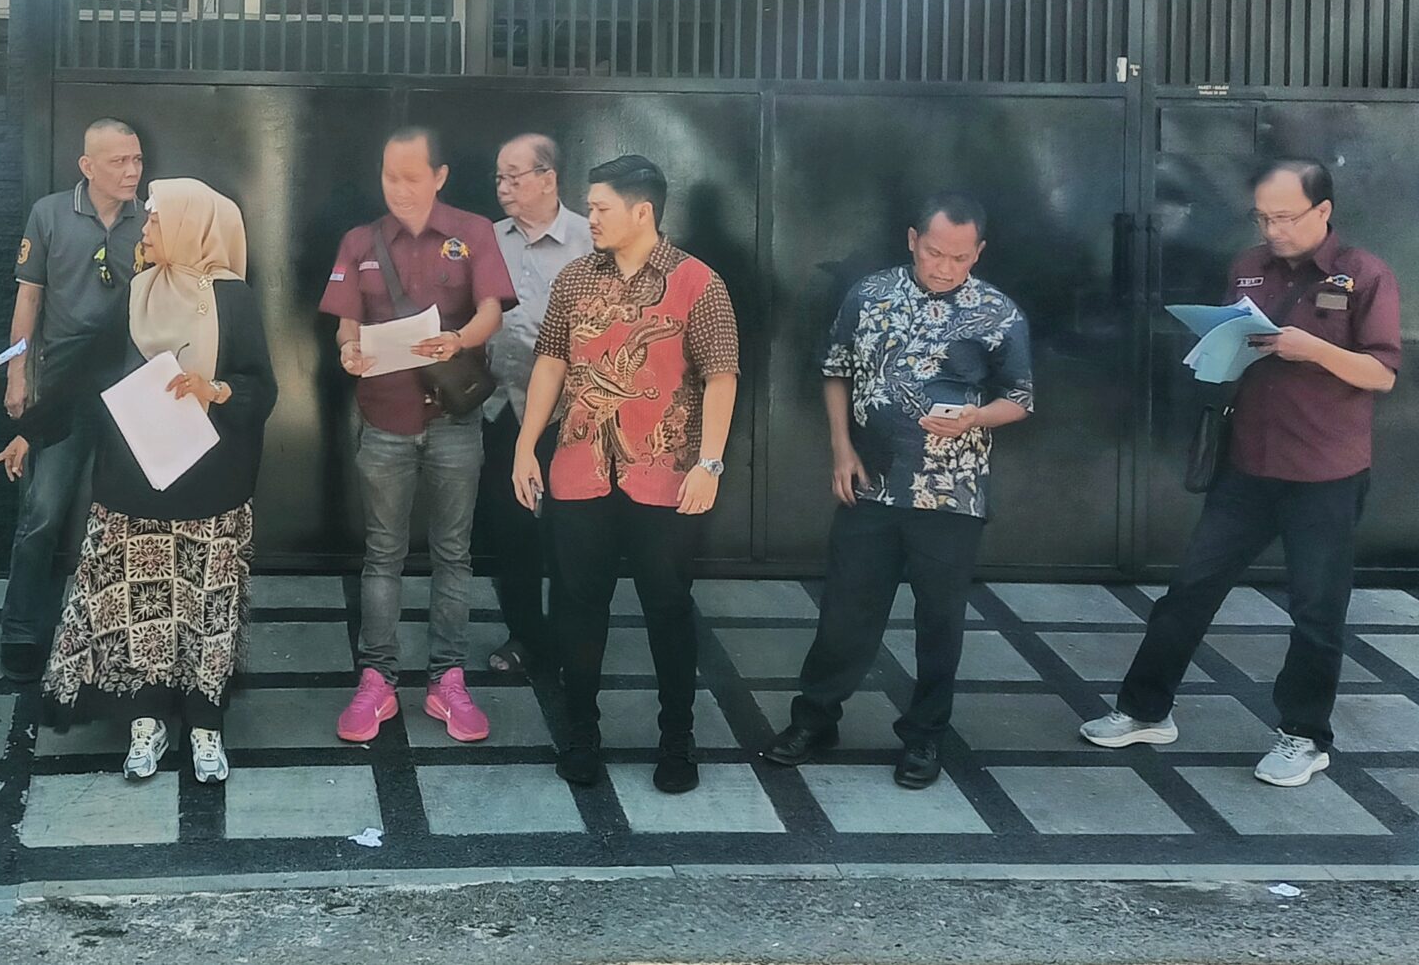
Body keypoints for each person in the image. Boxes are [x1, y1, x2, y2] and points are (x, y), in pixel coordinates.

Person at [1081, 158, 1400, 788]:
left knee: (1316, 612)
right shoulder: (1248, 265)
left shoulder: (1364, 274)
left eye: (1285, 217)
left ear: (1323, 210)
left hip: (1326, 472)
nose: (1273, 230)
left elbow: (1382, 373)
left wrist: (1313, 349)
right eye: (1263, 218)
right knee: (1189, 591)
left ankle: (1304, 736)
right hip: (1249, 463)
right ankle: (1145, 710)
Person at [0, 179, 273, 783]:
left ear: (191, 226)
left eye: (157, 220)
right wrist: (31, 432)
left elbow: (260, 388)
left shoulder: (233, 299)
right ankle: (147, 720)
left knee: (205, 608)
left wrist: (215, 390)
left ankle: (205, 724)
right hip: (134, 483)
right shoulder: (137, 292)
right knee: (142, 609)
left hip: (211, 487)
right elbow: (85, 372)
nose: (145, 229)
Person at [762, 193, 1033, 791]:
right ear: (913, 240)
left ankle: (924, 736)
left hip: (951, 492)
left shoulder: (998, 313)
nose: (945, 268)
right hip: (873, 484)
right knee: (845, 612)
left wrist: (974, 418)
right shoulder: (869, 295)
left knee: (939, 622)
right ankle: (814, 721)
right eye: (935, 253)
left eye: (960, 258)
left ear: (978, 253)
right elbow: (836, 370)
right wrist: (841, 449)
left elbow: (1020, 398)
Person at [512, 154, 738, 795]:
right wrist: (526, 446)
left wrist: (710, 463)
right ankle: (581, 734)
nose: (589, 218)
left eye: (600, 208)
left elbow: (721, 377)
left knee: (668, 608)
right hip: (579, 470)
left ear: (643, 212)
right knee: (579, 608)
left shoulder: (699, 283)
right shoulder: (576, 277)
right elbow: (551, 363)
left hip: (666, 475)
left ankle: (677, 740)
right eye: (590, 207)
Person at [320, 126, 515, 745]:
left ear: (439, 176)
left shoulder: (473, 232)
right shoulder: (360, 241)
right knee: (383, 553)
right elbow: (345, 323)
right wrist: (348, 349)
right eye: (389, 176)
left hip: (454, 420)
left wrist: (460, 340)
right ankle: (376, 679)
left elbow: (491, 310)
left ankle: (446, 680)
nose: (399, 188)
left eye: (411, 177)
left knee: (453, 554)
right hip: (384, 418)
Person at [0, 119, 148, 682]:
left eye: (137, 160)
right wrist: (17, 374)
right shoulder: (50, 214)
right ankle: (21, 630)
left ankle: (116, 635)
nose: (132, 171)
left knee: (127, 513)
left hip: (129, 381)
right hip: (62, 382)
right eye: (119, 161)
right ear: (87, 166)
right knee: (43, 511)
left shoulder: (151, 219)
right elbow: (29, 299)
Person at [481, 133, 593, 675]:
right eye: (499, 178)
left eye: (514, 176)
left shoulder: (589, 241)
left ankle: (572, 639)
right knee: (512, 530)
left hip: (569, 414)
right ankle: (525, 635)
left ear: (548, 178)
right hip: (499, 406)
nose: (502, 187)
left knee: (570, 532)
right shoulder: (486, 240)